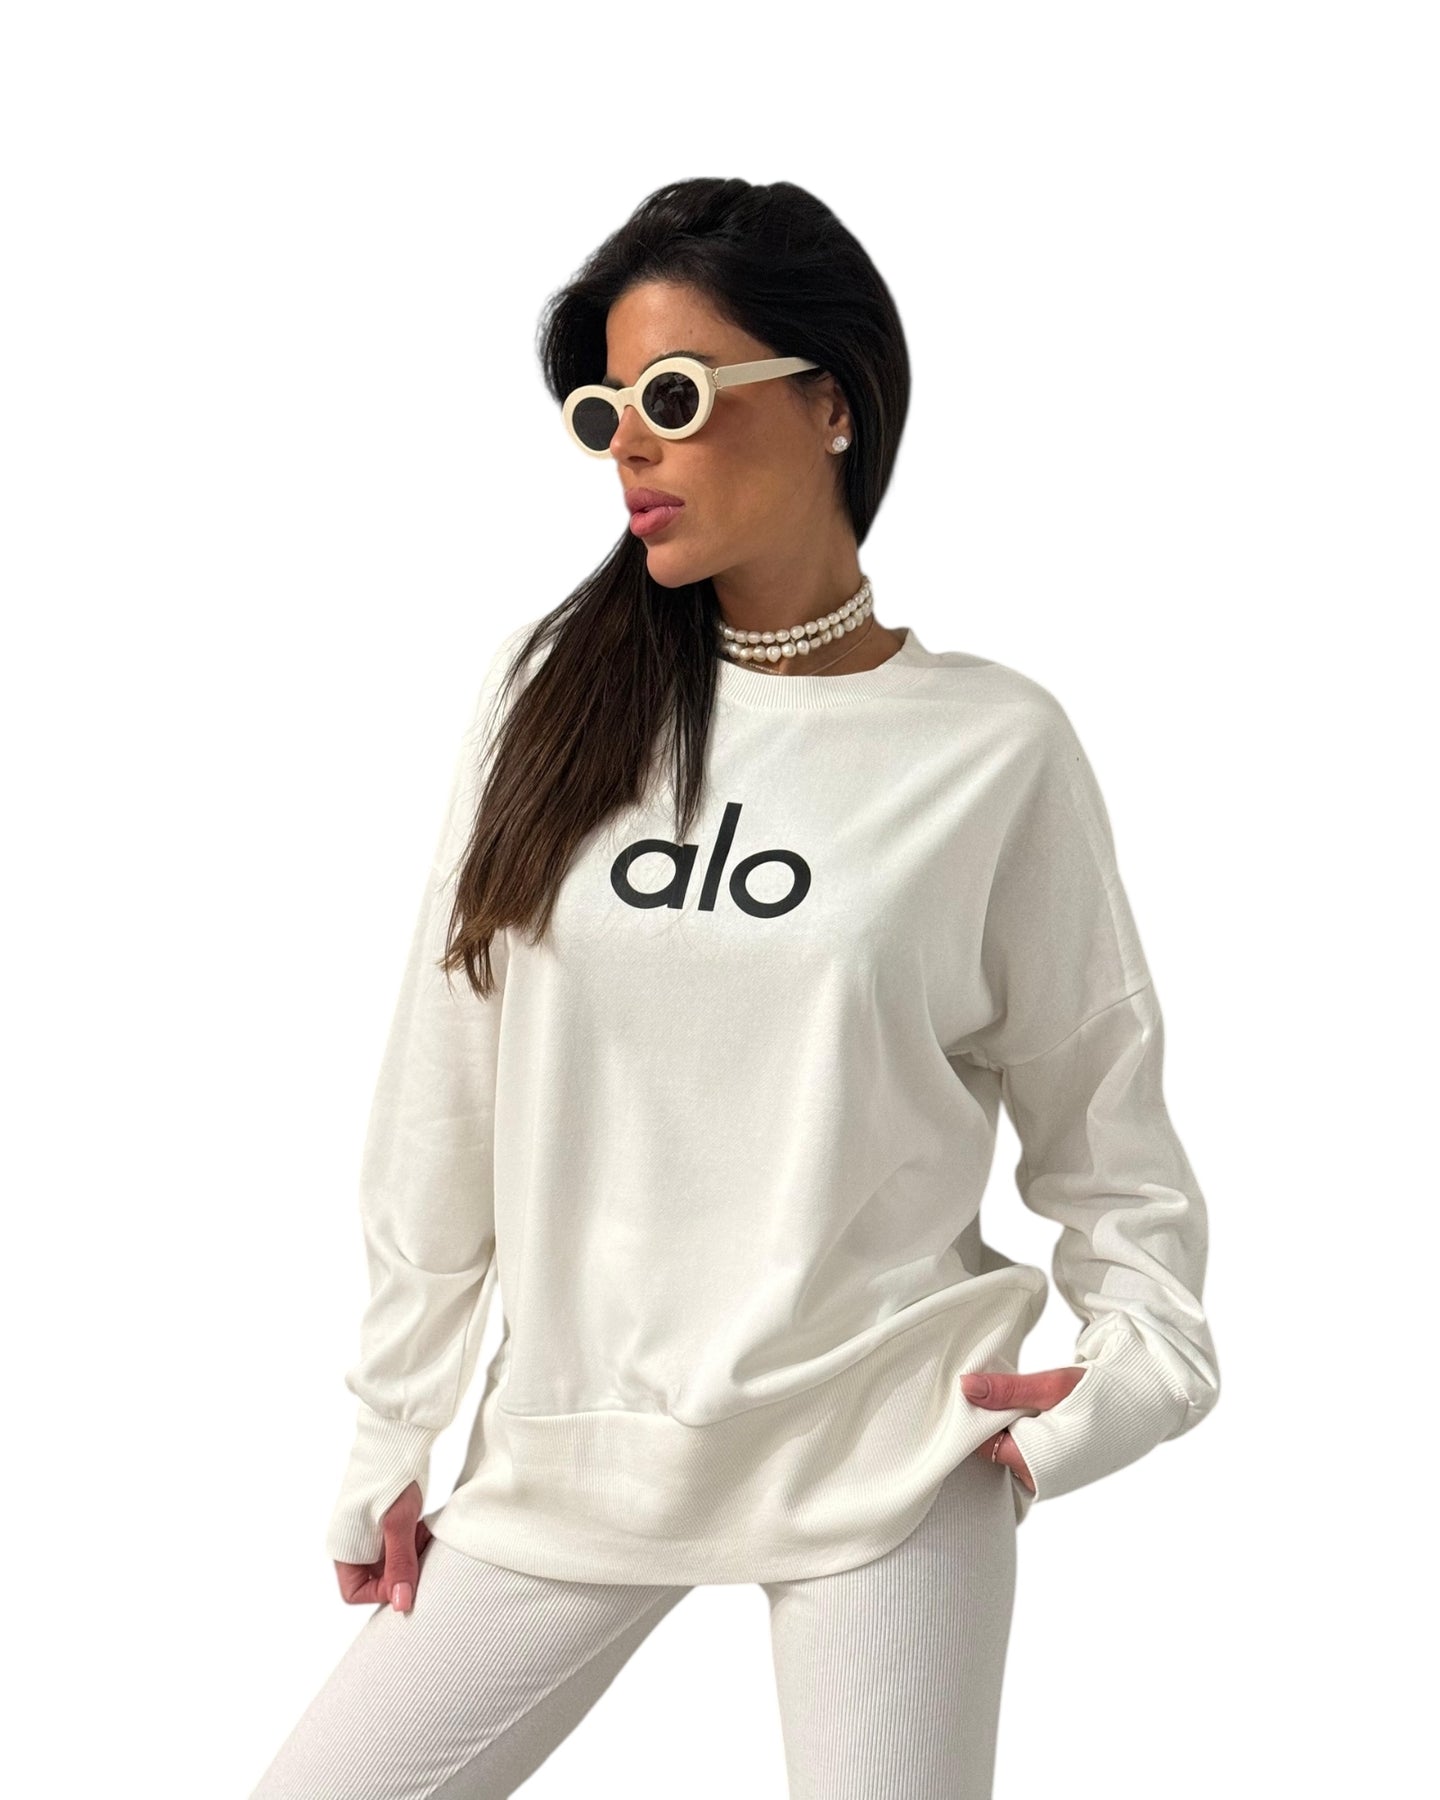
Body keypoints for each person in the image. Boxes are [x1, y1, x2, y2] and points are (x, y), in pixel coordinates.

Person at [250, 176, 1220, 1800]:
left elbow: (1106, 1130)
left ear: (833, 402)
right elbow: (445, 1089)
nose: (631, 446)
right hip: (577, 1446)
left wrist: (1128, 1376)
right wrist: (391, 1426)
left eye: (679, 398)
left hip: (882, 1448)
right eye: (605, 411)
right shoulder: (552, 695)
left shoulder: (994, 749)